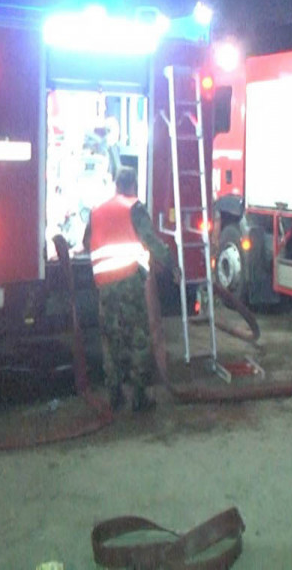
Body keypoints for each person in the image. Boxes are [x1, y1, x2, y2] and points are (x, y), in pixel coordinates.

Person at [86, 167, 179, 413]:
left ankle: (114, 395)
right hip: (128, 282)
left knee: (111, 339)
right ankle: (138, 396)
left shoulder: (97, 210)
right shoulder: (134, 208)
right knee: (138, 339)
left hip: (104, 285)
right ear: (133, 185)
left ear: (116, 184)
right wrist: (172, 265)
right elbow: (150, 240)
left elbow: (87, 243)